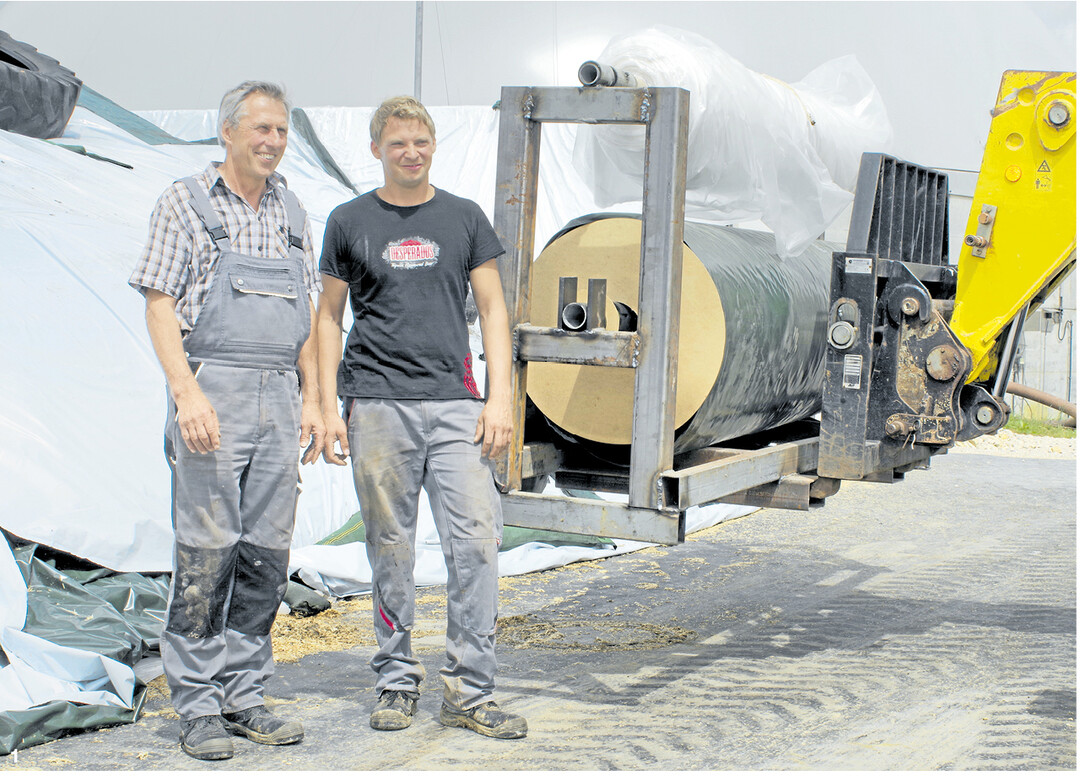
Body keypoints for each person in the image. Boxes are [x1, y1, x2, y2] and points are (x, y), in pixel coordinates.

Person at [317, 95, 526, 739]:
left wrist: (500, 397)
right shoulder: (350, 219)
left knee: (475, 545)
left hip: (457, 404)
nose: (411, 153)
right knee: (390, 546)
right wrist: (327, 405)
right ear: (376, 148)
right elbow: (327, 317)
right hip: (378, 403)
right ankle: (395, 679)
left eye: (421, 142)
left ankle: (469, 688)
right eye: (398, 143)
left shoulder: (463, 218)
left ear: (433, 146)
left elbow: (492, 309)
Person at [129, 81, 323, 761]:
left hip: (280, 391)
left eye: (280, 131)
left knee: (266, 554)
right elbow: (159, 306)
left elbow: (308, 319)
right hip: (214, 386)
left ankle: (245, 695)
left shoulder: (294, 211)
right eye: (260, 129)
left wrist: (318, 398)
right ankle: (199, 703)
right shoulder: (184, 203)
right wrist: (187, 394)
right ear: (228, 132)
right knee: (208, 552)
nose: (271, 141)